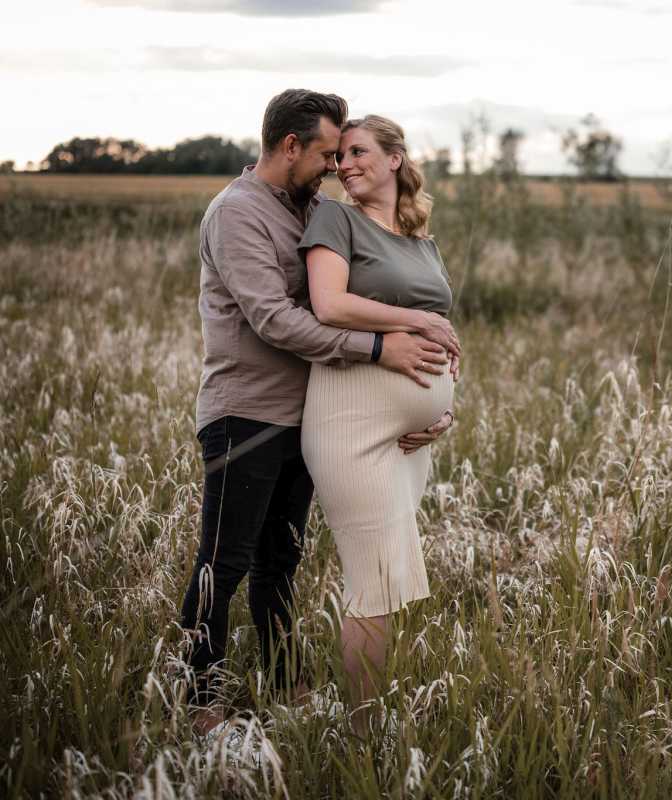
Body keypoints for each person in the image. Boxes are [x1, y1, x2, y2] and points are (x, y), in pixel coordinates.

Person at [179, 90, 457, 736]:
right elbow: (276, 320)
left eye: (346, 154)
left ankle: (282, 682)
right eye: (328, 154)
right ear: (290, 147)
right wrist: (382, 347)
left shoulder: (308, 209)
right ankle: (200, 701)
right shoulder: (238, 214)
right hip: (245, 413)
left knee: (280, 562)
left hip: (302, 415)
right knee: (223, 562)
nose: (335, 167)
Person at [298, 114, 456, 713]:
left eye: (359, 151)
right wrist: (418, 322)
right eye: (340, 156)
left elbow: (444, 330)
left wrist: (445, 408)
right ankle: (361, 730)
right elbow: (329, 304)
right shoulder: (335, 219)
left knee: (389, 577)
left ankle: (369, 713)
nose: (346, 164)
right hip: (351, 419)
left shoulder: (422, 240)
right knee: (374, 582)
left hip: (411, 438)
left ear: (395, 159)